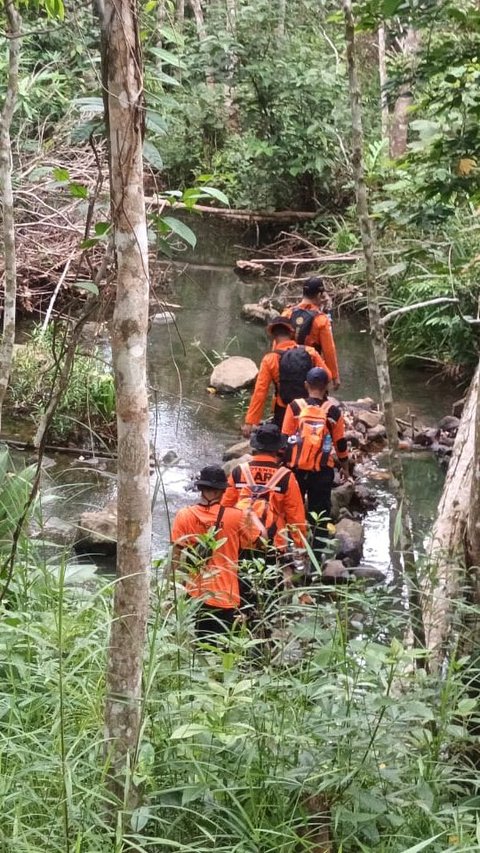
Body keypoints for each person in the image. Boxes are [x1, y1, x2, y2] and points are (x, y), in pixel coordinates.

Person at [170, 465, 257, 641]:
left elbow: (175, 556)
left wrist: (173, 589)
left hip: (195, 593)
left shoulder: (184, 515)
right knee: (222, 646)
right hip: (226, 595)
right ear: (222, 491)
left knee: (197, 645)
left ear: (200, 488)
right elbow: (254, 542)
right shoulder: (237, 516)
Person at [222, 423, 308, 592]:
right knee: (269, 591)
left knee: (240, 589)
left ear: (255, 446)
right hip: (272, 543)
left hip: (240, 540)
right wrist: (300, 549)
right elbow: (296, 517)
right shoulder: (285, 477)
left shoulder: (239, 472)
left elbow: (225, 509)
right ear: (278, 449)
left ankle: (243, 616)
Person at [281, 367, 350, 566]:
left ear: (306, 385)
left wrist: (282, 465)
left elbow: (285, 438)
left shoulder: (295, 407)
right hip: (322, 470)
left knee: (292, 509)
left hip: (296, 468)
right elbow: (341, 443)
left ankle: (291, 553)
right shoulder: (333, 411)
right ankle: (317, 557)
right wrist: (345, 467)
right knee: (320, 512)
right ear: (327, 386)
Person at [241, 316, 332, 437]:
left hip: (284, 411)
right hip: (311, 408)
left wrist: (250, 422)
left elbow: (260, 393)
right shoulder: (310, 352)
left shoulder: (270, 359)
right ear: (292, 333)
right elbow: (328, 376)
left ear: (273, 337)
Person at [282, 276, 340, 389]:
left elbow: (278, 344)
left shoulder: (286, 314)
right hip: (311, 373)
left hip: (287, 369)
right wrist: (334, 376)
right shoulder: (321, 320)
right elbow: (329, 351)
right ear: (319, 295)